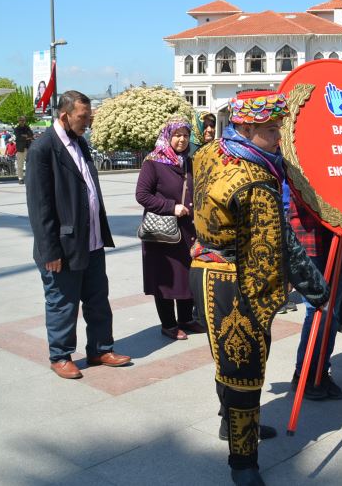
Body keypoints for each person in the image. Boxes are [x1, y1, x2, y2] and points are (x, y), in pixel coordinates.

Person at [189, 90, 328, 485]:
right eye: (271, 129)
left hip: (203, 267)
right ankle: (243, 464)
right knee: (245, 369)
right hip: (235, 279)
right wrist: (316, 289)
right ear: (246, 127)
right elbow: (277, 243)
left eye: (280, 126)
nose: (279, 136)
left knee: (227, 360)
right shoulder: (256, 177)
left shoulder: (210, 152)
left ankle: (229, 426)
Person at [26, 90, 131, 380]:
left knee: (98, 299)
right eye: (83, 117)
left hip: (92, 240)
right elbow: (40, 206)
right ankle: (60, 355)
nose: (88, 123)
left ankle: (100, 348)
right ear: (65, 116)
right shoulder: (43, 149)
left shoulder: (81, 142)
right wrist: (50, 252)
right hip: (63, 246)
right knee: (63, 302)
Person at [135, 116, 204, 341]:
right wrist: (170, 207)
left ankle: (185, 319)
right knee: (165, 277)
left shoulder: (190, 162)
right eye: (177, 135)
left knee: (186, 275)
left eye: (185, 135)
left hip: (187, 231)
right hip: (162, 233)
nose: (182, 140)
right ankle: (168, 324)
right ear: (168, 136)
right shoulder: (153, 162)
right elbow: (142, 195)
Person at [288, 193, 342, 401]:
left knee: (333, 312)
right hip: (309, 233)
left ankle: (321, 370)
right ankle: (304, 373)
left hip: (337, 234)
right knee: (317, 310)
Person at [14, 116, 34, 185]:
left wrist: (25, 136)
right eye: (20, 120)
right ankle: (20, 178)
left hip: (28, 148)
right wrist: (27, 137)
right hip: (20, 149)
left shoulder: (27, 128)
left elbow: (31, 135)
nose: (22, 121)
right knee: (20, 165)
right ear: (18, 121)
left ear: (25, 121)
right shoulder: (17, 129)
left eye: (23, 120)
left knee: (30, 164)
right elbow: (19, 137)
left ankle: (29, 177)